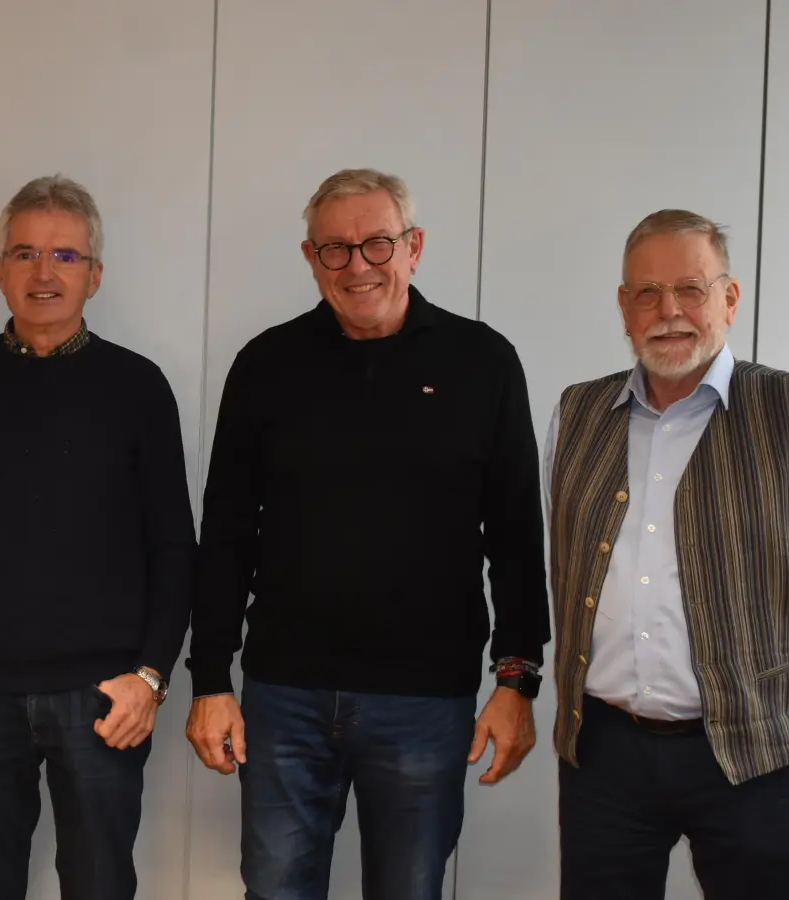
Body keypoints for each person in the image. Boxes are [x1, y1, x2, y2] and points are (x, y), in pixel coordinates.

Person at [185, 168, 550, 900]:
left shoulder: (483, 363)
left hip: (425, 702)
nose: (357, 267)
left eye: (377, 245)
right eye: (335, 250)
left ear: (413, 247)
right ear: (310, 257)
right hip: (284, 695)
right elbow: (226, 530)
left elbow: (515, 535)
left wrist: (517, 681)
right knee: (276, 888)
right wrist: (210, 679)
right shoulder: (266, 365)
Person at [0, 174, 197, 900]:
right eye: (25, 253)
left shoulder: (138, 386)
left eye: (66, 257)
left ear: (95, 275)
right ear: (0, 269)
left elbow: (175, 547)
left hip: (101, 699)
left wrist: (152, 677)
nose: (43, 273)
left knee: (98, 887)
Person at [545, 210, 789, 900]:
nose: (668, 311)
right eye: (646, 293)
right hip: (605, 755)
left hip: (760, 754)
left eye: (691, 289)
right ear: (623, 307)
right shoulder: (575, 414)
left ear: (729, 298)